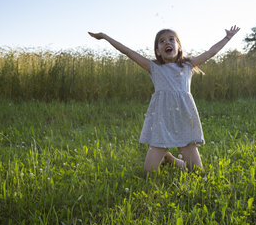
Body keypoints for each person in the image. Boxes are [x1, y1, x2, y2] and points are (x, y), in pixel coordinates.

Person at [88, 26, 240, 174]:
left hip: (184, 120)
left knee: (197, 172)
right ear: (157, 51)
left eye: (171, 39)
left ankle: (171, 159)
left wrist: (227, 37)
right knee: (149, 173)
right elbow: (128, 51)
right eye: (161, 41)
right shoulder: (153, 67)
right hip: (162, 122)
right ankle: (164, 154)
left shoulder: (188, 65)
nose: (167, 42)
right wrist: (105, 37)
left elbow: (211, 52)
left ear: (179, 47)